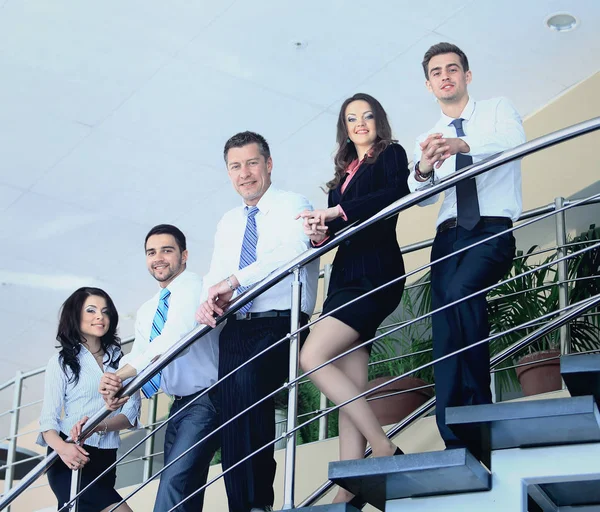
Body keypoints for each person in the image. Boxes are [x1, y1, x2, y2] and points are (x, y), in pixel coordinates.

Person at [408, 42, 525, 449]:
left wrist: (462, 145)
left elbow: (513, 140)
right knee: (445, 323)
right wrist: (424, 168)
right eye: (437, 72)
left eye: (453, 69)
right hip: (448, 235)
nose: (446, 76)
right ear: (429, 85)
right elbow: (420, 196)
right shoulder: (427, 136)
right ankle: (454, 432)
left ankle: (476, 410)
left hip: (491, 226)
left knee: (460, 294)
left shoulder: (496, 111)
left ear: (467, 75)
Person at [296, 93, 410, 505]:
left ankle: (381, 447)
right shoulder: (341, 176)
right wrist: (320, 233)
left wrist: (338, 213)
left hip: (375, 274)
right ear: (344, 128)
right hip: (345, 277)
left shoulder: (392, 155)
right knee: (351, 385)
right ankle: (349, 487)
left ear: (378, 120)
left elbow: (393, 196)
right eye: (351, 118)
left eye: (366, 116)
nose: (360, 123)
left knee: (311, 358)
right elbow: (341, 230)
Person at [196, 131, 318, 512]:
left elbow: (293, 251)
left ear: (268, 164)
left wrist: (236, 281)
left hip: (279, 321)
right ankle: (244, 506)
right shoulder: (227, 222)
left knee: (249, 388)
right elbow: (215, 272)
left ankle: (257, 504)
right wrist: (206, 301)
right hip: (237, 328)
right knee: (235, 416)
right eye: (236, 166)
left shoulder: (292, 203)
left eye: (252, 163)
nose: (245, 173)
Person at [98, 224, 221, 512]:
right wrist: (118, 386)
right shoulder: (147, 308)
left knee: (175, 483)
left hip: (207, 400)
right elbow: (142, 356)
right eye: (151, 252)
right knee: (183, 487)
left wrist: (118, 375)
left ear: (184, 255)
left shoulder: (193, 285)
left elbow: (174, 338)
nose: (159, 258)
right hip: (179, 406)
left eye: (167, 250)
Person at [38, 287, 140, 512]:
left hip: (106, 458)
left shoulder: (123, 361)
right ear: (75, 315)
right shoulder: (61, 362)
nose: (99, 317)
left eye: (105, 311)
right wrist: (63, 449)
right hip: (71, 453)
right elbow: (48, 422)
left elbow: (131, 415)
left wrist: (98, 426)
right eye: (91, 310)